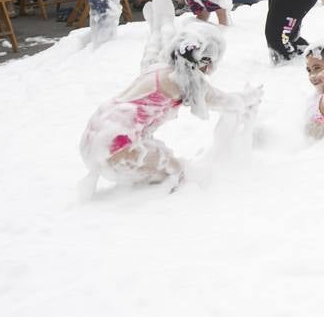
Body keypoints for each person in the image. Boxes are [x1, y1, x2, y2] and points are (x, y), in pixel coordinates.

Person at [79, 20, 260, 192]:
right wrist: (250, 98)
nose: (211, 70)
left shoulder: (161, 68)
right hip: (115, 146)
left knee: (164, 169)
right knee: (176, 173)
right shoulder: (180, 81)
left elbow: (153, 48)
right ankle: (152, 212)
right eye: (211, 62)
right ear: (200, 60)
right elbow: (222, 100)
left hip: (95, 138)